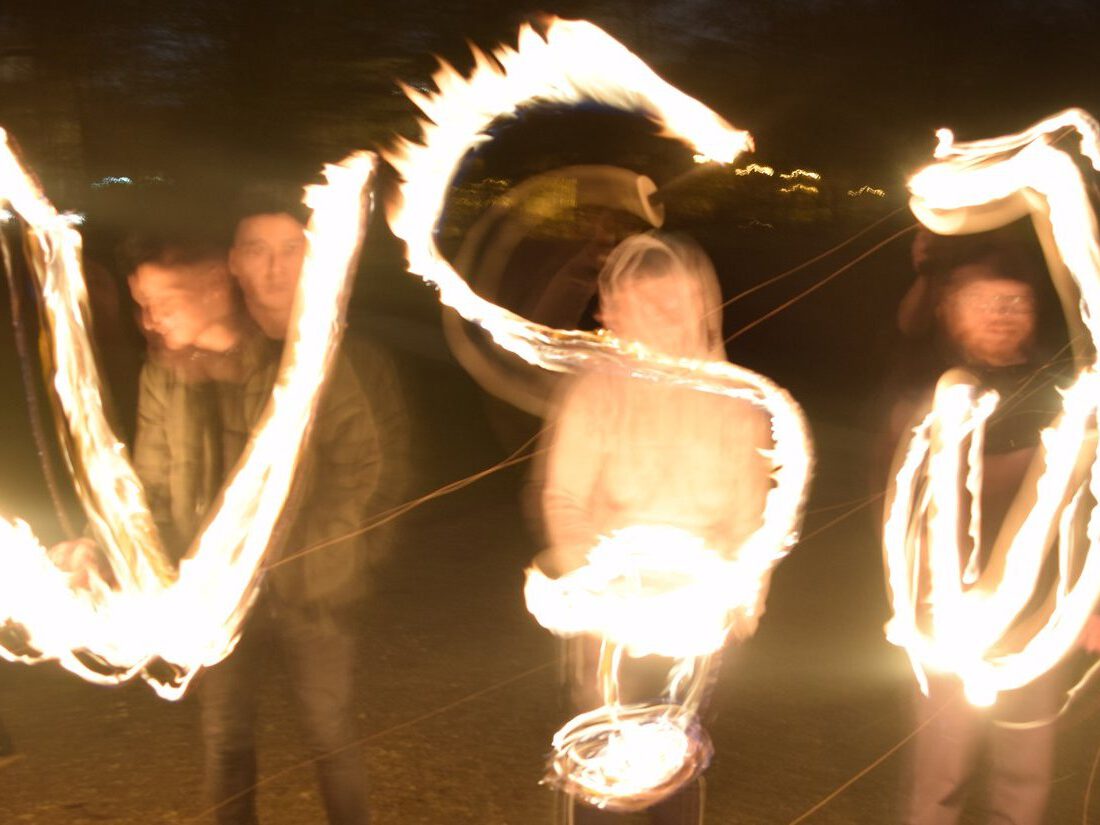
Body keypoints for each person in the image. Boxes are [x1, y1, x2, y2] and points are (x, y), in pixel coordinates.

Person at [124, 209, 384, 825]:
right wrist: (113, 550)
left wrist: (322, 550)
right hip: (215, 601)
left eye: (162, 299)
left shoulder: (301, 361)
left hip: (309, 588)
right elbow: (149, 488)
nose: (149, 318)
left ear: (215, 286)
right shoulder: (161, 377)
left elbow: (360, 461)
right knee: (225, 740)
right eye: (141, 302)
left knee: (328, 733)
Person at [536, 232, 773, 824]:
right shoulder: (597, 394)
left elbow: (753, 515)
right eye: (648, 305)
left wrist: (745, 593)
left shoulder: (736, 403)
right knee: (605, 777)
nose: (666, 320)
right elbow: (564, 496)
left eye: (677, 304)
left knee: (675, 768)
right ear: (617, 313)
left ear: (703, 305)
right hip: (614, 623)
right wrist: (596, 581)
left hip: (692, 626)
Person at [886, 229, 1080, 825]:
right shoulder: (931, 399)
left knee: (1023, 777)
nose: (1001, 315)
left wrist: (1086, 607)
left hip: (1041, 618)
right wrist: (911, 598)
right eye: (984, 301)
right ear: (951, 308)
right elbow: (900, 507)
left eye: (1014, 301)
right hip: (948, 620)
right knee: (939, 773)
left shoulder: (1067, 397)